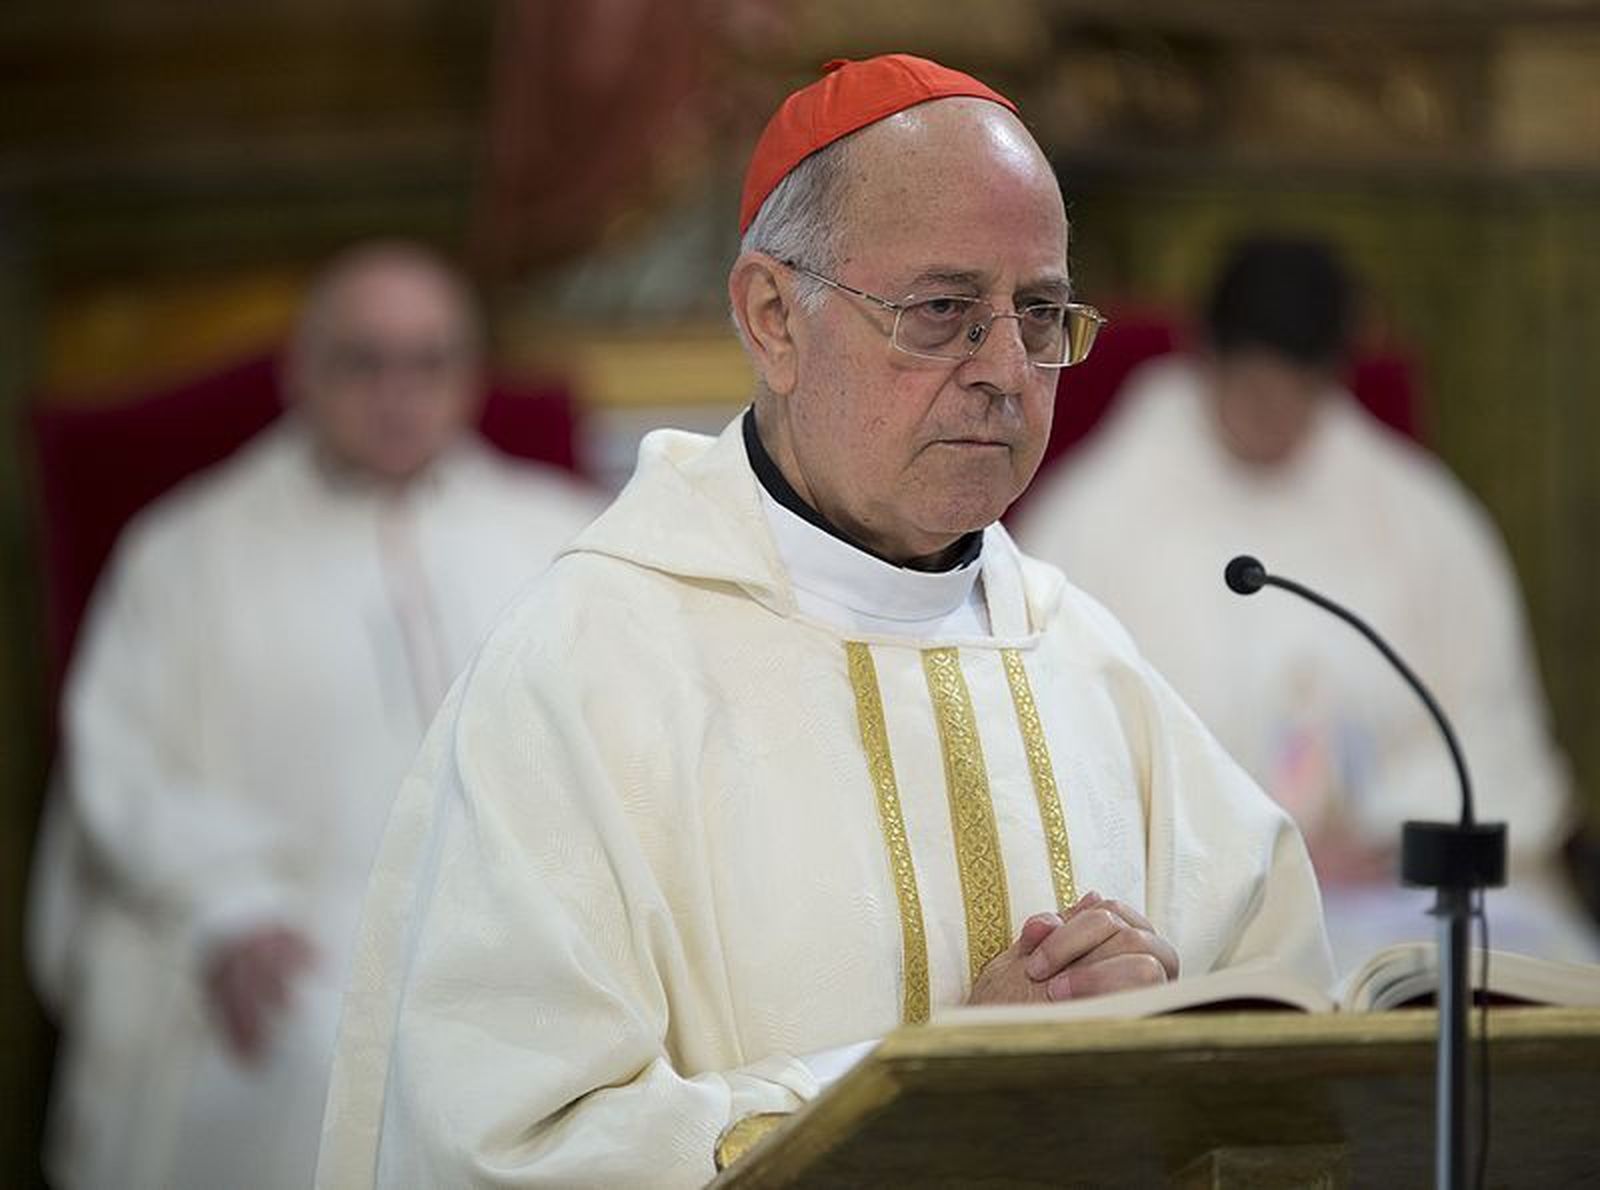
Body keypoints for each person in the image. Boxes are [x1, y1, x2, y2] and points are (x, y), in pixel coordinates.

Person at [317, 58, 1334, 1188]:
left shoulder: (1080, 655)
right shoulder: (589, 667)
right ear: (771, 319)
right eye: (942, 310)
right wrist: (940, 1078)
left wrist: (1173, 1023)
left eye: (1038, 313)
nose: (1004, 370)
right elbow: (504, 1146)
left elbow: (1288, 1039)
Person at [27, 241, 604, 1190]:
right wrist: (226, 906)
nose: (398, 393)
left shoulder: (567, 535)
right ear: (301, 371)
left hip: (526, 921)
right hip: (286, 922)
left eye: (429, 363)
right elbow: (120, 763)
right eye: (362, 361)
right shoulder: (185, 553)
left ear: (469, 375)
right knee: (314, 1060)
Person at [1018, 236, 1596, 973]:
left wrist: (1389, 831)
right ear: (1208, 362)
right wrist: (1269, 850)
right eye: (1254, 392)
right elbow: (1063, 743)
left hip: (1390, 879)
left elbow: (1488, 724)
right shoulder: (1096, 518)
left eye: (1299, 395)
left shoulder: (1416, 516)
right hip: (1191, 898)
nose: (1274, 419)